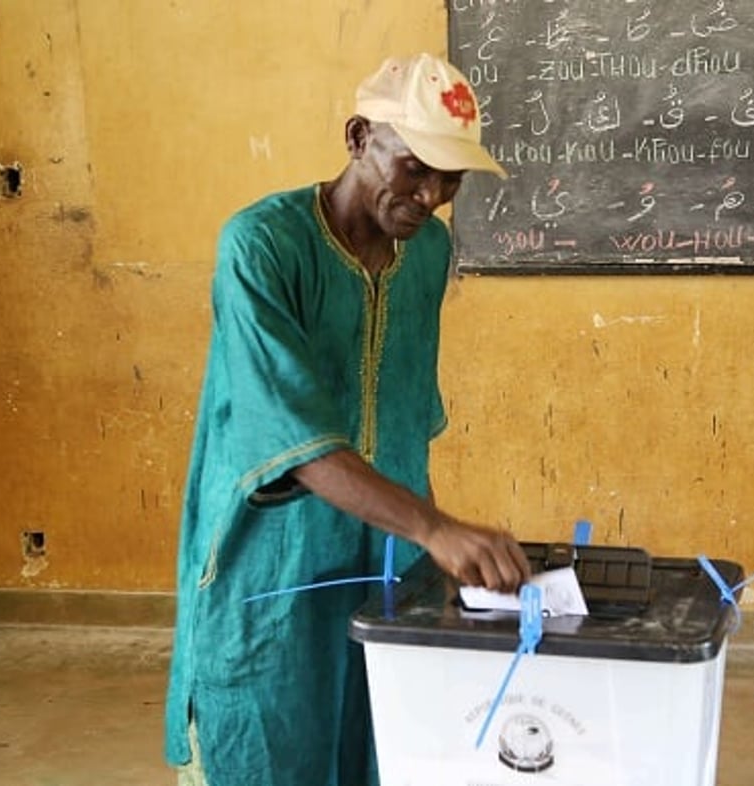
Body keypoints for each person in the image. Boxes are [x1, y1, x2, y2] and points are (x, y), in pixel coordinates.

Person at [164, 53, 532, 786]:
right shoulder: (261, 245)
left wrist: (427, 537)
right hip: (271, 554)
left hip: (383, 549)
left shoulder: (427, 252)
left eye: (451, 177)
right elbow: (289, 437)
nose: (431, 195)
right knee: (270, 729)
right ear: (360, 136)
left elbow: (400, 415)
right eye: (415, 167)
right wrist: (433, 526)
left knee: (376, 737)